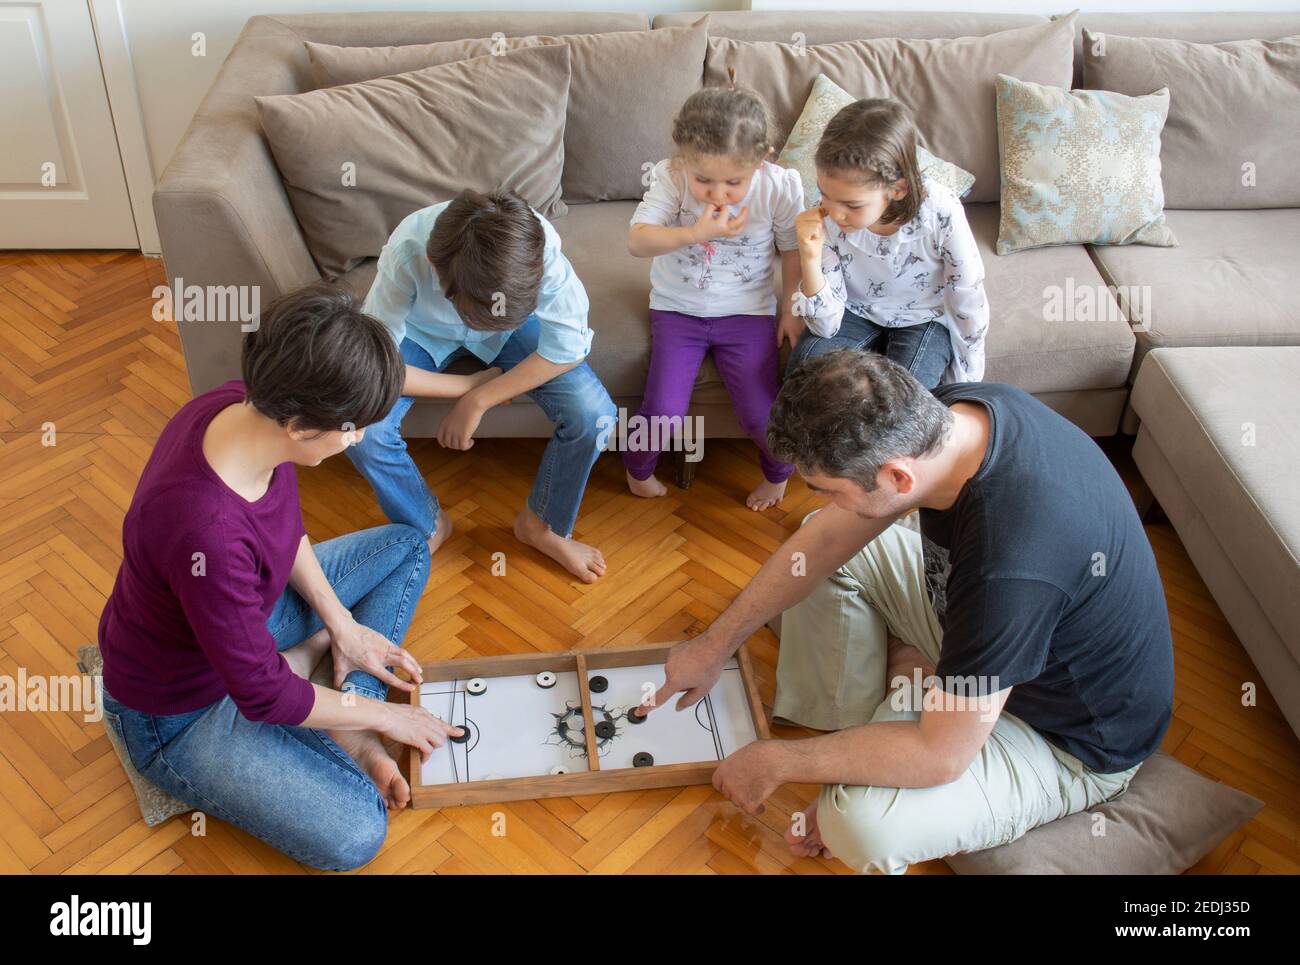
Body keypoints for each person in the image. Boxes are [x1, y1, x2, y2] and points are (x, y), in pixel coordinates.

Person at [644, 350, 1174, 874]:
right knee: (815, 547)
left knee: (858, 826)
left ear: (899, 477)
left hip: (1070, 736)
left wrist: (780, 763)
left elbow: (940, 757)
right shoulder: (952, 416)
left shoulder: (1008, 563)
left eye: (830, 490)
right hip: (985, 634)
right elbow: (830, 538)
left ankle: (890, 721)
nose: (828, 503)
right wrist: (715, 645)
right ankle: (871, 725)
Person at [98, 284, 461, 871]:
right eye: (350, 428)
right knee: (356, 833)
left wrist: (342, 625)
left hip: (242, 621)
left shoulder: (243, 404)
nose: (359, 439)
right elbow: (263, 695)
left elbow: (284, 529)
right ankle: (344, 711)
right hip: (182, 712)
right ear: (297, 424)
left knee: (406, 546)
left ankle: (323, 666)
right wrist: (386, 716)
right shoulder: (205, 535)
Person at [348, 189, 617, 583]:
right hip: (422, 335)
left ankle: (540, 526)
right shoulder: (408, 250)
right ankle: (427, 524)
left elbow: (569, 346)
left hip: (512, 331)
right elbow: (376, 364)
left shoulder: (536, 250)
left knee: (595, 416)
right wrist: (464, 384)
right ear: (432, 266)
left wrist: (481, 398)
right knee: (362, 430)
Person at [624, 69, 804, 510]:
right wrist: (695, 232)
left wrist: (791, 308)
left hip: (747, 313)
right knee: (663, 413)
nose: (717, 194)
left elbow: (794, 249)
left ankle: (778, 476)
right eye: (704, 180)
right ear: (684, 158)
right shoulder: (671, 176)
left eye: (732, 183)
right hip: (677, 310)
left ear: (762, 158)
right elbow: (637, 240)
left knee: (762, 414)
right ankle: (637, 470)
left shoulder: (779, 187)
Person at [788, 98, 989, 388]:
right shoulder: (828, 217)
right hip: (853, 311)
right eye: (825, 194)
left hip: (924, 317)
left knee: (904, 401)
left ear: (898, 188)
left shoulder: (940, 212)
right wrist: (809, 257)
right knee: (804, 381)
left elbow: (967, 294)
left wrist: (966, 382)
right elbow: (826, 325)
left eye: (852, 204)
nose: (834, 211)